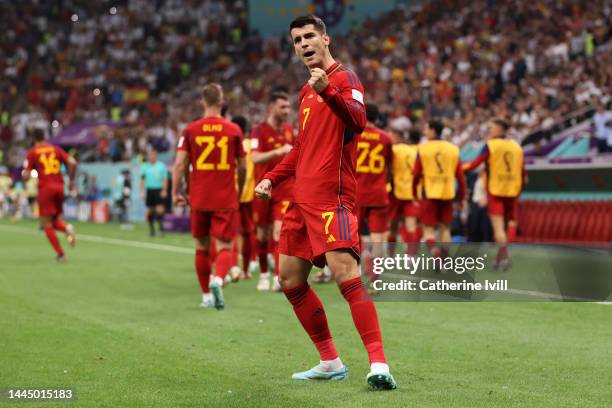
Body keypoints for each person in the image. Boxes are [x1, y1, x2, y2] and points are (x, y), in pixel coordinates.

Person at [254, 15, 396, 390]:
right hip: (301, 200)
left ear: (325, 39)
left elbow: (359, 121)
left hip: (333, 198)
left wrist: (328, 91)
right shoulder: (303, 93)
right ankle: (330, 360)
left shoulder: (345, 79)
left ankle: (379, 364)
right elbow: (301, 147)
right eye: (297, 40)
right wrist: (272, 176)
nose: (303, 44)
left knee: (346, 275)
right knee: (289, 279)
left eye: (309, 36)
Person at [172, 83, 246, 310]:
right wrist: (240, 190)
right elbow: (243, 167)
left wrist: (177, 191)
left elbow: (179, 164)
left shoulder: (190, 130)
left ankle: (205, 295)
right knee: (224, 246)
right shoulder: (234, 130)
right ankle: (219, 279)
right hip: (224, 196)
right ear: (222, 103)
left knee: (201, 247)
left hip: (199, 197)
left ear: (202, 103)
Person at [463, 118, 525, 270]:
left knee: (498, 229)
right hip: (512, 191)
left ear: (499, 129)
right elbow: (523, 172)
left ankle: (506, 257)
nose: (489, 130)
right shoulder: (517, 147)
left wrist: (458, 169)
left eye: (491, 128)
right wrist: (519, 190)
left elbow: (475, 163)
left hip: (496, 191)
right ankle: (499, 259)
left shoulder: (490, 145)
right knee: (509, 224)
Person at [250, 92, 294, 291]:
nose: (287, 111)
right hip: (262, 188)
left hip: (284, 189)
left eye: (288, 107)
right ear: (271, 107)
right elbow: (254, 158)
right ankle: (264, 274)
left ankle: (278, 277)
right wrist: (278, 152)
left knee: (279, 233)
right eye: (282, 107)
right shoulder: (258, 131)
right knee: (261, 234)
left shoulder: (289, 130)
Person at [22, 128, 77, 262]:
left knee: (46, 223)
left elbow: (26, 175)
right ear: (45, 137)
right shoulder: (55, 149)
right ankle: (66, 228)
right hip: (59, 187)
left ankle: (61, 254)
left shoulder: (32, 152)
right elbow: (72, 162)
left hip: (46, 188)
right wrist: (71, 180)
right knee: (54, 220)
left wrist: (27, 175)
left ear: (33, 139)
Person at [412, 120, 466, 253]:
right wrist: (461, 197)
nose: (425, 132)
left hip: (429, 193)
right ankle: (444, 261)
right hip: (448, 193)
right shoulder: (453, 148)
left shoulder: (423, 148)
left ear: (432, 130)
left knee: (428, 229)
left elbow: (416, 174)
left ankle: (435, 252)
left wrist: (414, 192)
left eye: (426, 129)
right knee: (445, 228)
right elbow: (460, 176)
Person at [354, 103, 392, 279]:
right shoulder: (386, 138)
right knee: (377, 238)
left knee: (354, 234)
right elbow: (390, 168)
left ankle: (360, 265)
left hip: (356, 193)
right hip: (378, 193)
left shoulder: (354, 134)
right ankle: (376, 275)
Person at [233, 115, 258, 280]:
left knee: (231, 233)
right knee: (249, 232)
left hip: (232, 194)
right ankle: (246, 270)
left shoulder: (231, 144)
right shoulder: (251, 145)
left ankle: (234, 267)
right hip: (250, 194)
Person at [390, 128, 422, 255]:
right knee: (412, 225)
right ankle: (411, 255)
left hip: (396, 192)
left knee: (392, 226)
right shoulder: (414, 151)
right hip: (412, 193)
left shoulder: (394, 150)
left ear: (397, 136)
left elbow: (389, 170)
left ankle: (390, 255)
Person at [140, 149, 168, 237]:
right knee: (150, 210)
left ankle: (161, 229)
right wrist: (142, 191)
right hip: (149, 190)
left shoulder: (161, 166)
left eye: (153, 155)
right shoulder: (145, 166)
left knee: (160, 210)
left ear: (156, 156)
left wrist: (164, 190)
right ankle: (152, 230)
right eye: (150, 155)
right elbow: (142, 180)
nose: (151, 157)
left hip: (158, 189)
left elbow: (165, 179)